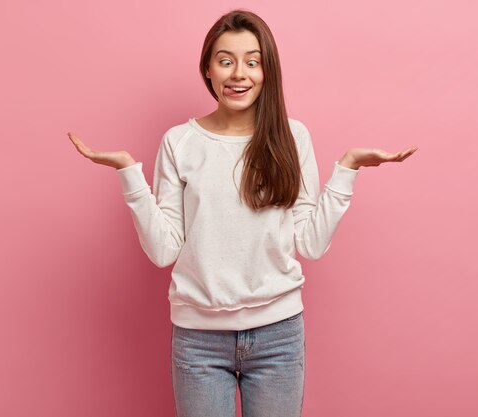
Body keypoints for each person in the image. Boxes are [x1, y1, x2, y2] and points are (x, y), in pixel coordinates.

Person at [67, 8, 417, 417]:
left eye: (253, 61)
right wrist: (129, 173)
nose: (239, 74)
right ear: (208, 70)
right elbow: (164, 250)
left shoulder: (292, 136)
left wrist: (347, 170)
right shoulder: (180, 142)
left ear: (268, 71)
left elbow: (311, 243)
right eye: (226, 60)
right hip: (198, 340)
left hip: (279, 336)